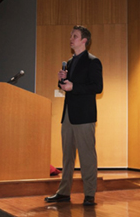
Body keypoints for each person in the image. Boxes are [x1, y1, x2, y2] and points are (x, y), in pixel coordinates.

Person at [44, 25, 103, 206]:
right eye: (71, 35)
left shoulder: (93, 61)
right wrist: (61, 80)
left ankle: (90, 194)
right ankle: (63, 192)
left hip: (84, 117)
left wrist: (74, 87)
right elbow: (67, 85)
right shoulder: (69, 62)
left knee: (87, 157)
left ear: (84, 40)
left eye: (75, 36)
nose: (71, 38)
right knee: (67, 157)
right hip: (68, 116)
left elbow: (97, 87)